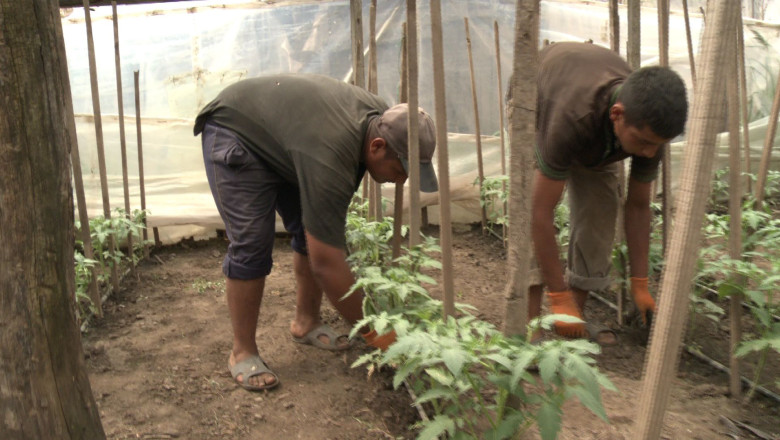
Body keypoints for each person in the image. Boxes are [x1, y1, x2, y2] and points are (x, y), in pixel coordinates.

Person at [193, 73, 438, 391]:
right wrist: (377, 335)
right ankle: (242, 351)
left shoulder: (381, 121)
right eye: (401, 169)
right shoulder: (333, 151)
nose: (402, 180)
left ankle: (305, 322)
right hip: (237, 131)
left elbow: (325, 232)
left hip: (287, 140)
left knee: (314, 229)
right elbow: (326, 263)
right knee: (252, 243)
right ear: (377, 147)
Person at [528, 42, 688, 344]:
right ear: (617, 114)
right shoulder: (570, 119)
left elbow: (639, 206)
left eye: (658, 144)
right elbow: (540, 212)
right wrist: (556, 293)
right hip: (539, 99)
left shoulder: (647, 130)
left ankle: (573, 318)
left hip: (596, 129)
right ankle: (529, 325)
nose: (649, 152)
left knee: (600, 209)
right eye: (643, 142)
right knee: (528, 205)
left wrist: (640, 283)